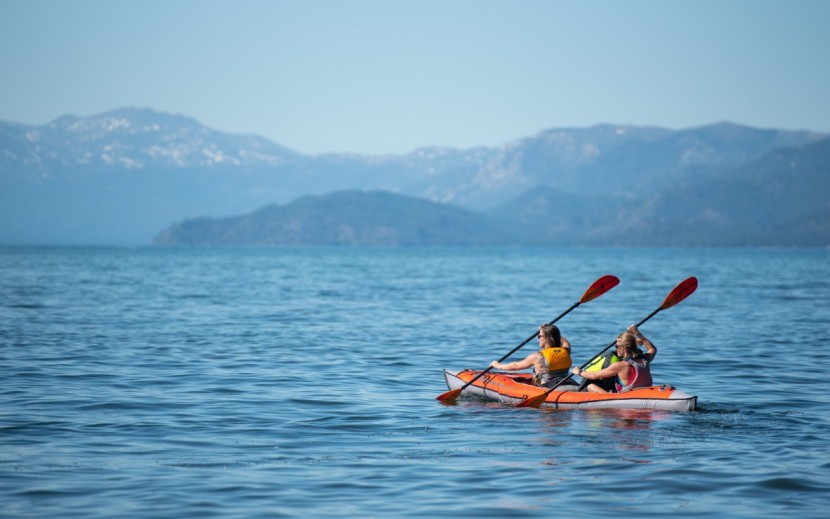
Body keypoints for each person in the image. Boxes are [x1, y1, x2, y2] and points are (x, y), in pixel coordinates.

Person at [571, 325, 656, 393]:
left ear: (625, 348)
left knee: (589, 385)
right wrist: (637, 333)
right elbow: (652, 349)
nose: (616, 349)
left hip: (626, 399)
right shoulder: (644, 360)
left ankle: (607, 399)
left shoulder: (621, 365)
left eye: (617, 346)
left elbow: (594, 376)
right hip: (644, 393)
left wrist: (579, 372)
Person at [490, 324, 576, 388]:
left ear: (547, 338)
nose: (538, 339)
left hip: (546, 388)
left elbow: (515, 366)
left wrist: (497, 365)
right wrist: (549, 330)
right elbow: (565, 342)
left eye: (539, 336)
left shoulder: (538, 356)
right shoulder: (566, 351)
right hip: (565, 383)